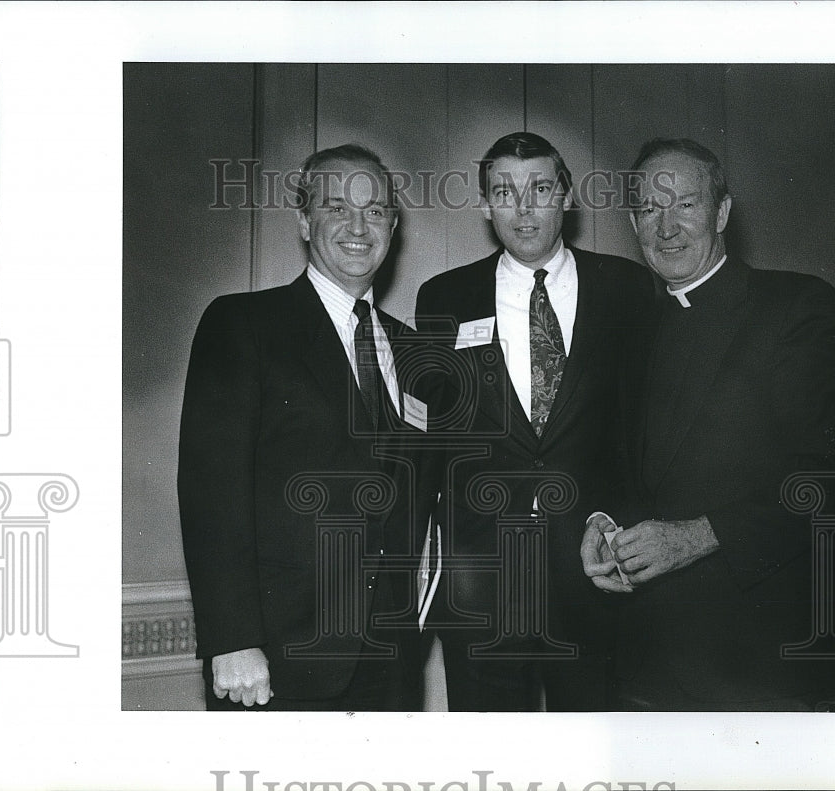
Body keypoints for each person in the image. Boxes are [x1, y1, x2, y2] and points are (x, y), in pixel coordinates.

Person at [580, 138, 835, 710]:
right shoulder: (634, 332)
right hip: (647, 661)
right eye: (650, 210)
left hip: (760, 656)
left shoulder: (796, 306)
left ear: (722, 212)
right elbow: (622, 469)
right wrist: (601, 523)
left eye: (685, 204)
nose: (667, 227)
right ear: (633, 223)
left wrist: (698, 534)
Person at [178, 144, 439, 711]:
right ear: (303, 220)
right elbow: (210, 493)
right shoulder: (243, 324)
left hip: (391, 658)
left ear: (392, 226)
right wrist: (233, 640)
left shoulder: (416, 351)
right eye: (336, 207)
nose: (357, 226)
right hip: (276, 657)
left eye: (375, 212)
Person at [415, 132, 651, 711]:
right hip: (482, 590)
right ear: (485, 205)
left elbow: (646, 432)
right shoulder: (443, 297)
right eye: (505, 191)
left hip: (597, 576)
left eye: (540, 188)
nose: (524, 208)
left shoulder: (627, 289)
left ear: (567, 196)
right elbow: (431, 445)